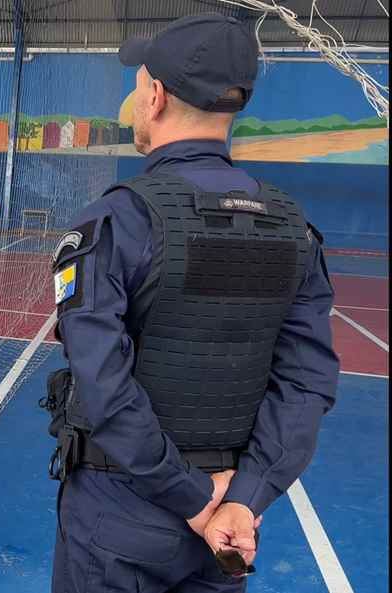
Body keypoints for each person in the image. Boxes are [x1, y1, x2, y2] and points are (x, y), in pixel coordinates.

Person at [45, 15, 339, 593]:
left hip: (122, 512)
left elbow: (103, 381)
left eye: (138, 84)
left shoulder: (116, 222)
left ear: (154, 96)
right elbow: (307, 383)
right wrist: (243, 498)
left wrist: (191, 496)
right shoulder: (295, 231)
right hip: (228, 522)